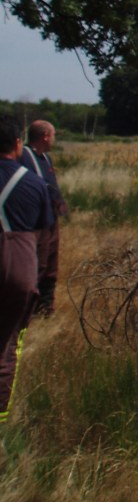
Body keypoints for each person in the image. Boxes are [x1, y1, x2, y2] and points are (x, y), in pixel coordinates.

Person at [0, 115, 51, 423]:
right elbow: (43, 234)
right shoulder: (34, 183)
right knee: (6, 347)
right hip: (18, 267)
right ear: (18, 144)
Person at [20, 119, 67, 317]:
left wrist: (60, 205)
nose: (54, 139)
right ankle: (28, 308)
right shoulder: (23, 156)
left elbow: (52, 184)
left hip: (50, 219)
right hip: (35, 222)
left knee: (50, 264)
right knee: (37, 264)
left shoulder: (46, 158)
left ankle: (46, 307)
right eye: (53, 135)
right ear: (45, 136)